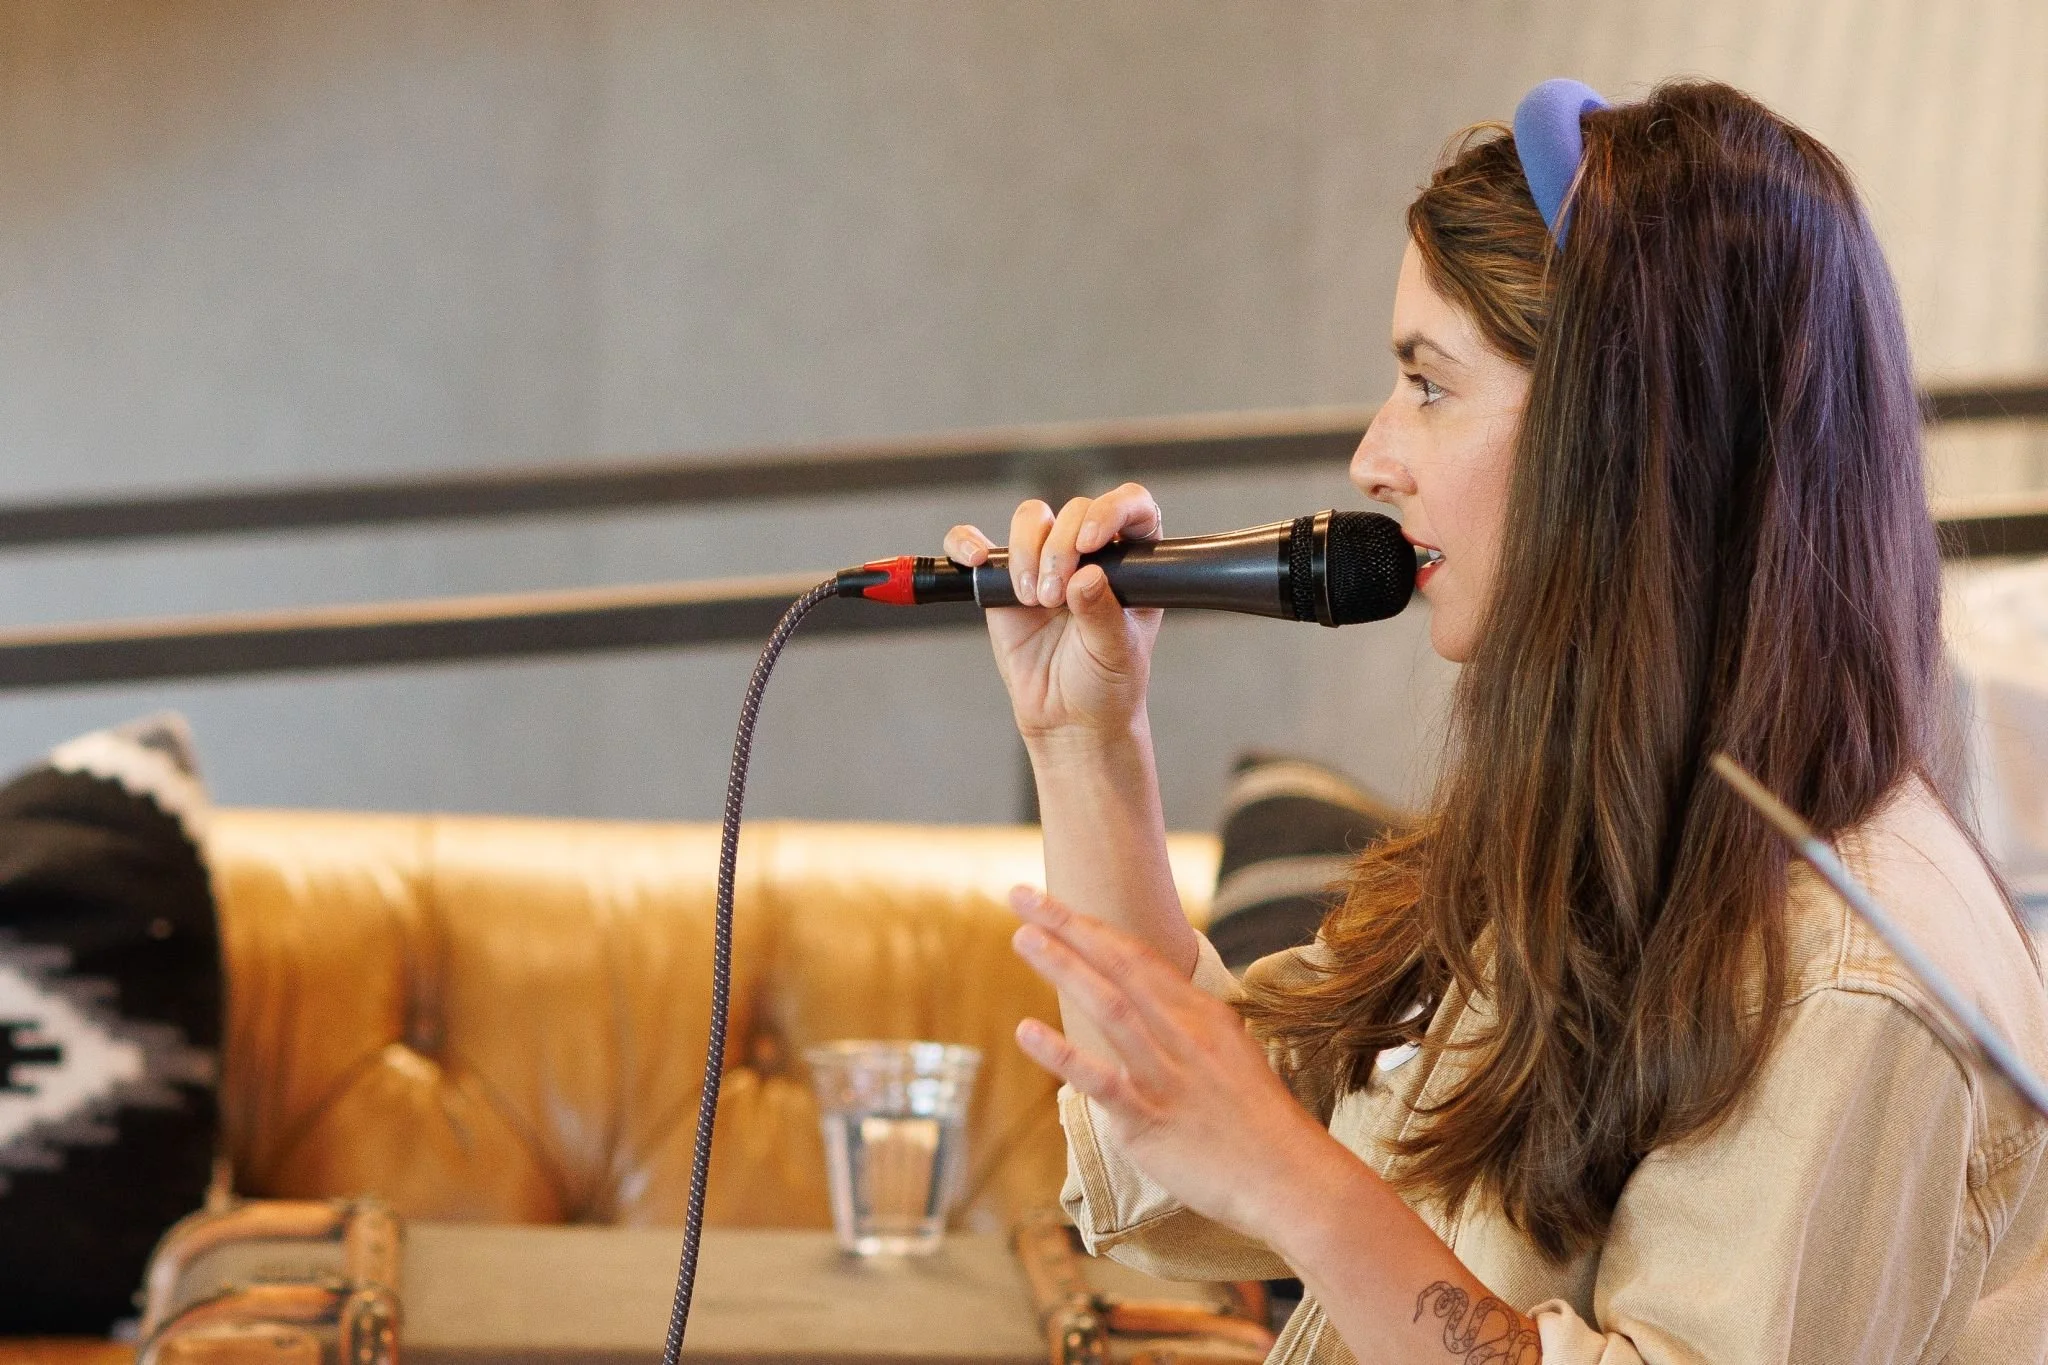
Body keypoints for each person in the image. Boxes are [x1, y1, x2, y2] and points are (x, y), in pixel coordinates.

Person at [941, 79, 2048, 1363]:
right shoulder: (1616, 846)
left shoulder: (1855, 983)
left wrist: (1295, 1180)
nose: (1371, 458)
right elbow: (1193, 1160)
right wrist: (1085, 741)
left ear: (1626, 443)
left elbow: (1285, 1180)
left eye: (1427, 382)